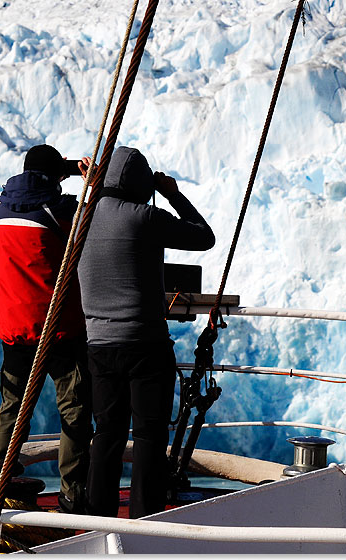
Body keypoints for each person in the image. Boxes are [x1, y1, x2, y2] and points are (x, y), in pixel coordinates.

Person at [78, 146, 215, 519]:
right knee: (149, 438)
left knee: (106, 434)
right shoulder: (145, 217)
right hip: (146, 345)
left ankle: (97, 520)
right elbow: (204, 236)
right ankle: (146, 522)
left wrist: (93, 182)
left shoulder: (81, 218)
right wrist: (172, 193)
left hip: (99, 346)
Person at [0, 143, 93, 514]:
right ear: (53, 176)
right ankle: (73, 494)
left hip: (13, 330)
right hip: (58, 329)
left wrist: (58, 171)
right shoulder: (58, 210)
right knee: (74, 412)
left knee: (12, 410)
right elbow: (85, 218)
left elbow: (31, 190)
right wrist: (88, 179)